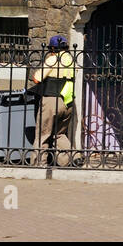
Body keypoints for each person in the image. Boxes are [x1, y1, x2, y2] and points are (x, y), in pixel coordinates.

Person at [33, 34, 77, 165]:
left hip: (52, 100)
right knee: (60, 134)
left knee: (43, 134)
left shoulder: (53, 59)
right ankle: (72, 158)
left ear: (53, 48)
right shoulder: (71, 60)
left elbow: (37, 78)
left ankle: (39, 162)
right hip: (68, 102)